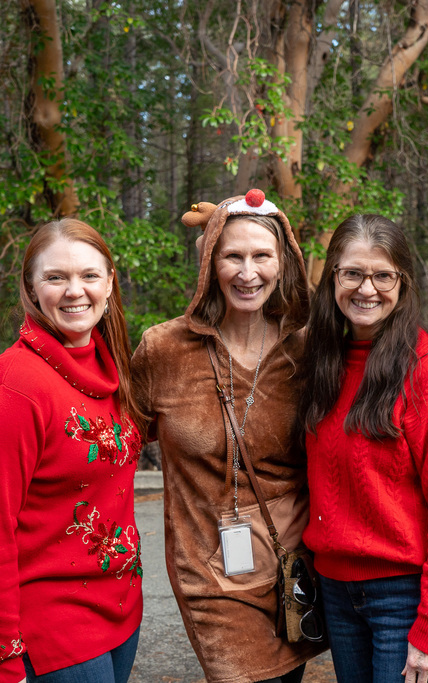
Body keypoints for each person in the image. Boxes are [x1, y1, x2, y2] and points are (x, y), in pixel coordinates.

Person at [130, 190, 325, 683]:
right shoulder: (163, 350)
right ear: (209, 261)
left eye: (262, 256)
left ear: (284, 264)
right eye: (232, 256)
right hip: (208, 573)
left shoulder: (307, 351)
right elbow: (116, 446)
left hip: (292, 571)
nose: (247, 272)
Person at [299, 214, 428, 683]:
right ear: (333, 279)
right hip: (338, 591)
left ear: (403, 283)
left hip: (405, 597)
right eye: (352, 274)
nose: (367, 289)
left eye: (383, 275)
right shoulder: (324, 363)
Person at [0, 218, 145, 683]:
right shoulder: (13, 388)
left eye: (88, 275)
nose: (74, 291)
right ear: (31, 288)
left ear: (109, 283)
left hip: (120, 612)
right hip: (53, 625)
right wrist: (1, 658)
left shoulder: (112, 365)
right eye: (55, 277)